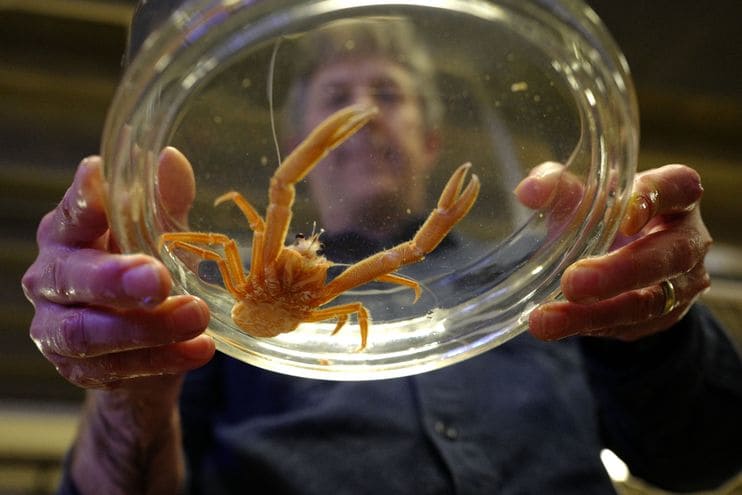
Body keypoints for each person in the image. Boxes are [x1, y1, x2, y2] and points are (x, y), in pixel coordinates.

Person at [21, 3, 742, 495]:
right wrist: (132, 389)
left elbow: (707, 453)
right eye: (337, 96)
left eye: (387, 95)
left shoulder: (537, 280)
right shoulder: (212, 312)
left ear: (433, 138)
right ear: (304, 134)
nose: (361, 119)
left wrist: (650, 324)